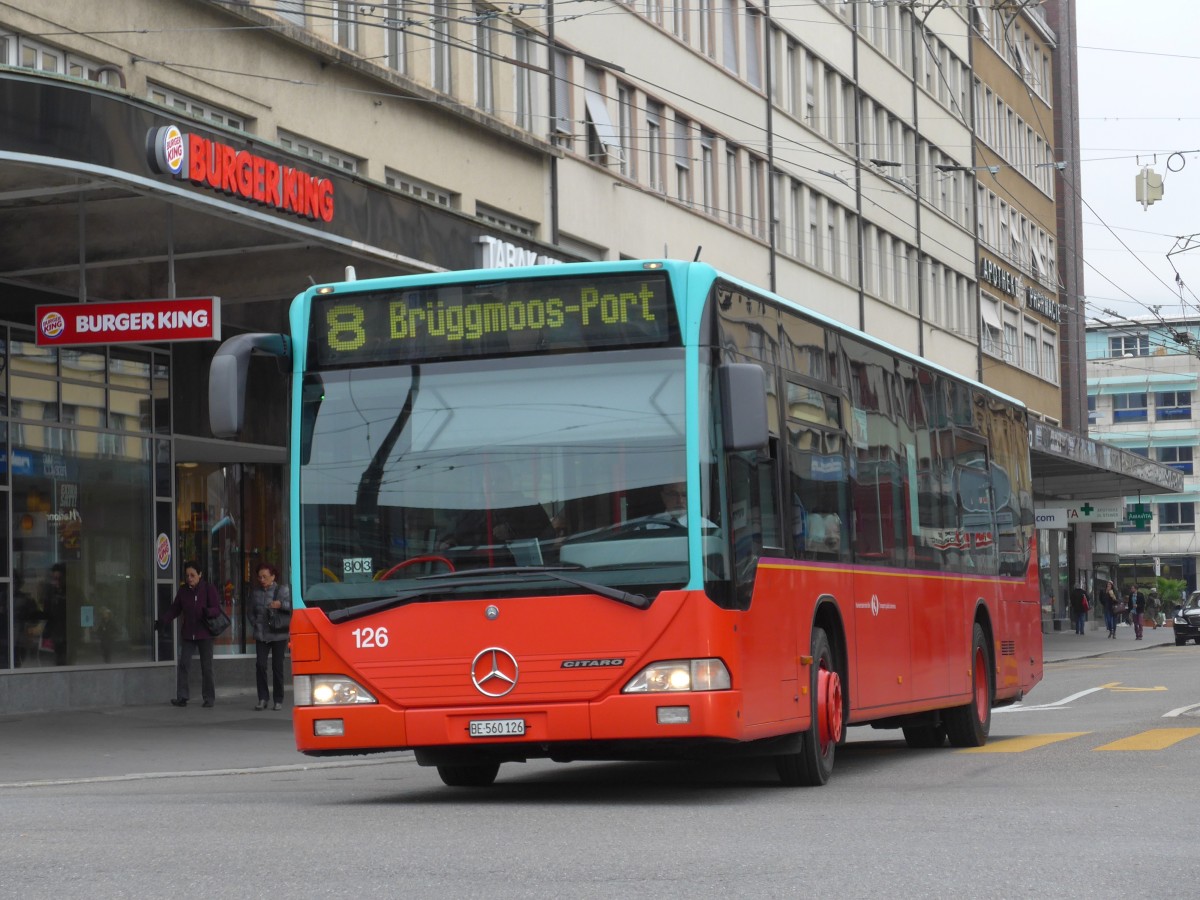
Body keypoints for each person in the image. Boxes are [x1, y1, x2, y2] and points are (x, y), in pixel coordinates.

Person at [156, 561, 222, 707]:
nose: (189, 578)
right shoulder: (183, 591)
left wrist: (208, 611)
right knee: (184, 664)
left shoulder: (208, 588)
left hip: (205, 633)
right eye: (187, 575)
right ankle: (182, 697)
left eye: (192, 575)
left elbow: (217, 609)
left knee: (207, 667)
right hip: (188, 633)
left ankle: (209, 698)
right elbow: (175, 609)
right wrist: (163, 621)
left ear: (200, 575)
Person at [250, 562, 292, 711]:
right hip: (261, 634)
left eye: (265, 577)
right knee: (260, 665)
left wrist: (280, 605)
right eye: (260, 577)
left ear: (273, 577)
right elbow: (251, 611)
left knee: (277, 667)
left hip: (279, 634)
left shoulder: (283, 590)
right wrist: (255, 623)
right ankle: (263, 698)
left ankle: (278, 699)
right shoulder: (255, 592)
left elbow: (292, 607)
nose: (262, 580)